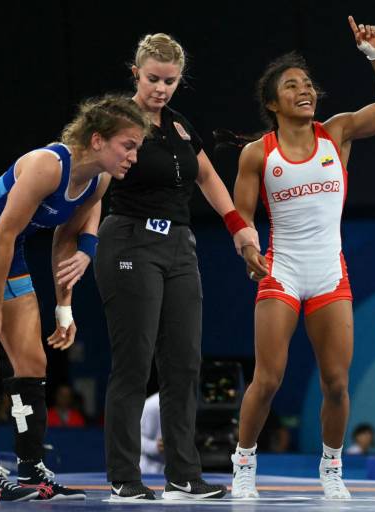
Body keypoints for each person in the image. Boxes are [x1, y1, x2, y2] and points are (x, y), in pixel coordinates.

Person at [230, 16, 375, 500]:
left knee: (335, 382)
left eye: (308, 84)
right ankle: (244, 463)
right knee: (267, 380)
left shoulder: (338, 134)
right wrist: (248, 249)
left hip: (330, 272)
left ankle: (332, 468)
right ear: (273, 102)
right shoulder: (256, 154)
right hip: (281, 272)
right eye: (292, 86)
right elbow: (240, 217)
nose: (305, 91)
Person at [0, 95, 148, 501]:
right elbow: (0, 234)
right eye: (129, 145)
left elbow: (69, 237)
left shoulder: (99, 179)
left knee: (33, 361)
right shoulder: (45, 166)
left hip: (9, 252)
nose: (134, 157)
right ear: (98, 139)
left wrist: (64, 306)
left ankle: (32, 468)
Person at [95, 33, 260, 502]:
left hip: (179, 247)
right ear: (135, 73)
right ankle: (124, 478)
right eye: (152, 79)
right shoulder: (115, 121)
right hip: (129, 239)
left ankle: (184, 476)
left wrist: (238, 229)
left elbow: (206, 175)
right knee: (133, 362)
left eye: (169, 81)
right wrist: (85, 241)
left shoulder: (181, 126)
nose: (160, 89)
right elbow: (95, 182)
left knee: (184, 362)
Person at [139, 392, 164, 474]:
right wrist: (155, 446)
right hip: (149, 473)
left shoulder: (191, 402)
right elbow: (134, 440)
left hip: (179, 473)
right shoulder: (152, 405)